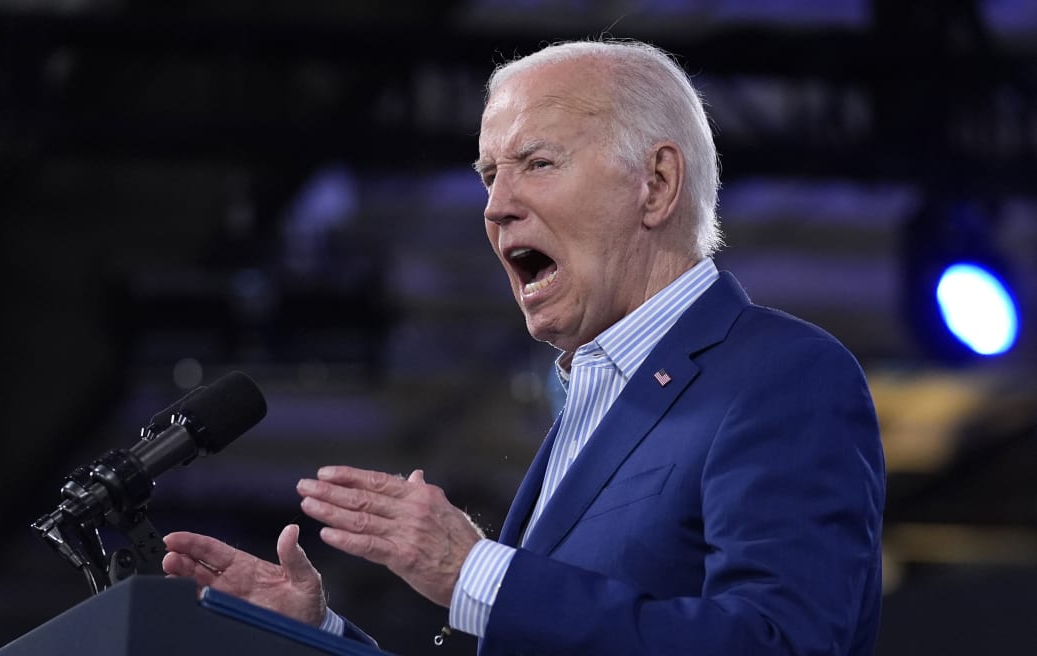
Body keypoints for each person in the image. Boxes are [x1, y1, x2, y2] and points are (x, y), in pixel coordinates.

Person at [163, 39, 885, 655]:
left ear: (657, 185)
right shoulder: (590, 408)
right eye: (488, 174)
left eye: (536, 163)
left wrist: (472, 571)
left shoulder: (783, 376)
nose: (495, 204)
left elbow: (779, 642)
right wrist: (317, 636)